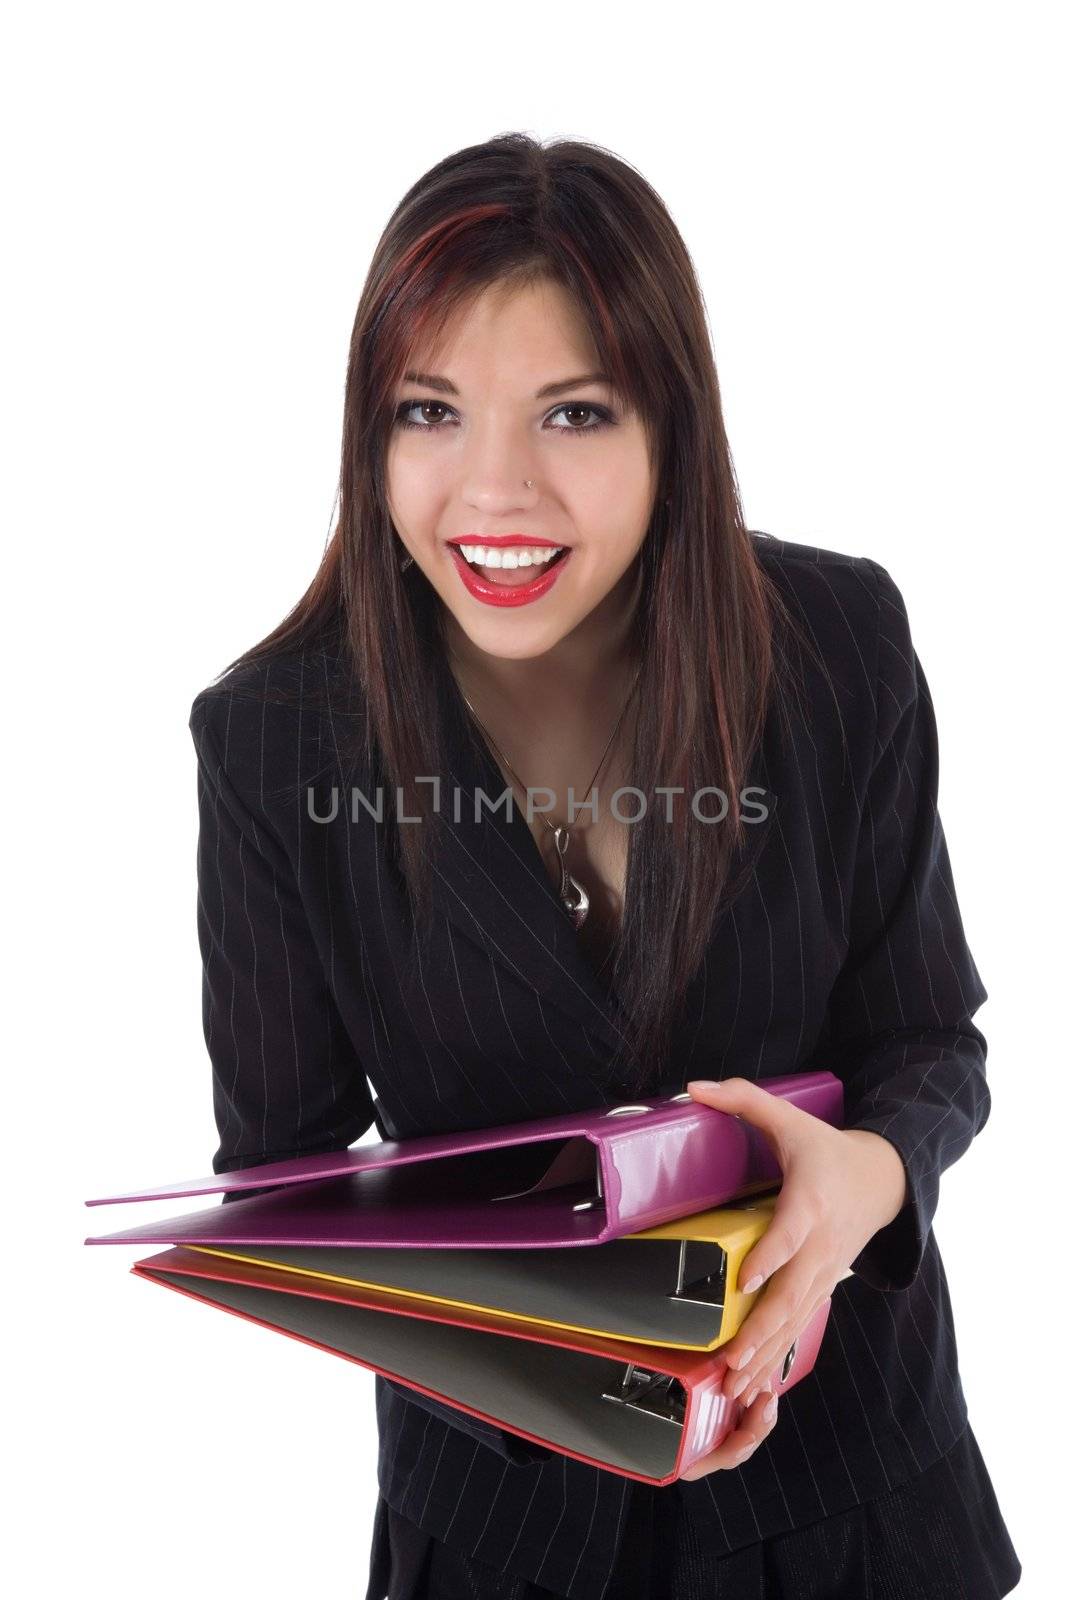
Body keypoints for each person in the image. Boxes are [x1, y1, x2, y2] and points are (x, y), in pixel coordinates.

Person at [189, 133, 1021, 1599]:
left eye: (573, 413)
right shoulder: (272, 743)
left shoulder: (837, 649)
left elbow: (927, 1041)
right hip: (508, 1541)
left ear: (670, 430)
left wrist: (868, 1183)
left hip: (859, 1503)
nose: (491, 492)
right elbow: (288, 1192)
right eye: (428, 412)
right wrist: (556, 1377)